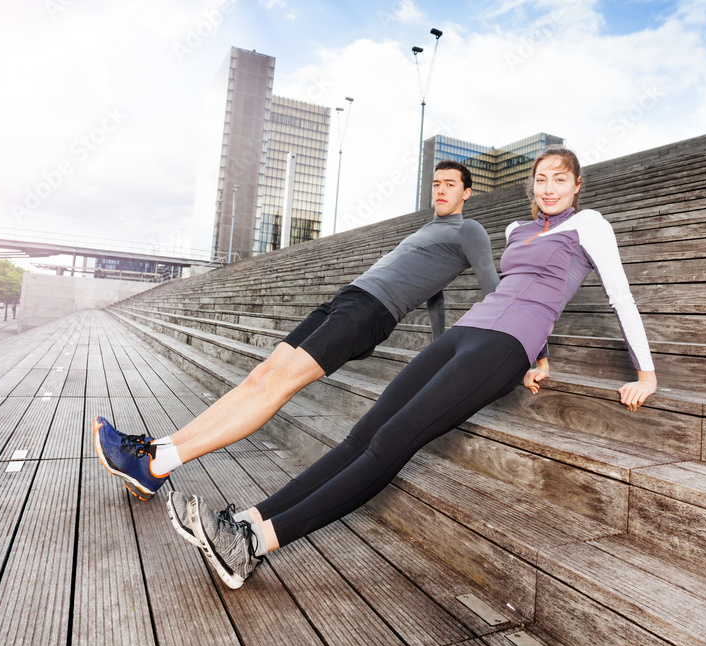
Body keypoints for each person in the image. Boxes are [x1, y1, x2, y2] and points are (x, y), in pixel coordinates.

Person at [169, 147, 658, 589]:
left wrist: (645, 374)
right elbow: (514, 285)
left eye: (560, 179)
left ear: (576, 185)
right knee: (363, 433)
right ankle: (248, 521)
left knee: (392, 441)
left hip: (505, 348)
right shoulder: (517, 231)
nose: (549, 188)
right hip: (466, 334)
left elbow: (619, 296)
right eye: (541, 179)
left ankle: (256, 545)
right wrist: (544, 358)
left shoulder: (590, 224)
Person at [93, 160, 500, 500]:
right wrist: (437, 341)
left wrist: (523, 350)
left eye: (450, 184)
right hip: (346, 299)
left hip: (370, 313)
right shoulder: (430, 229)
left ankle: (158, 465)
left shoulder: (470, 230)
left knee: (277, 387)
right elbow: (434, 292)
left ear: (467, 192)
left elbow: (493, 287)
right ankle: (155, 453)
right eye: (436, 184)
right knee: (259, 377)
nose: (441, 190)